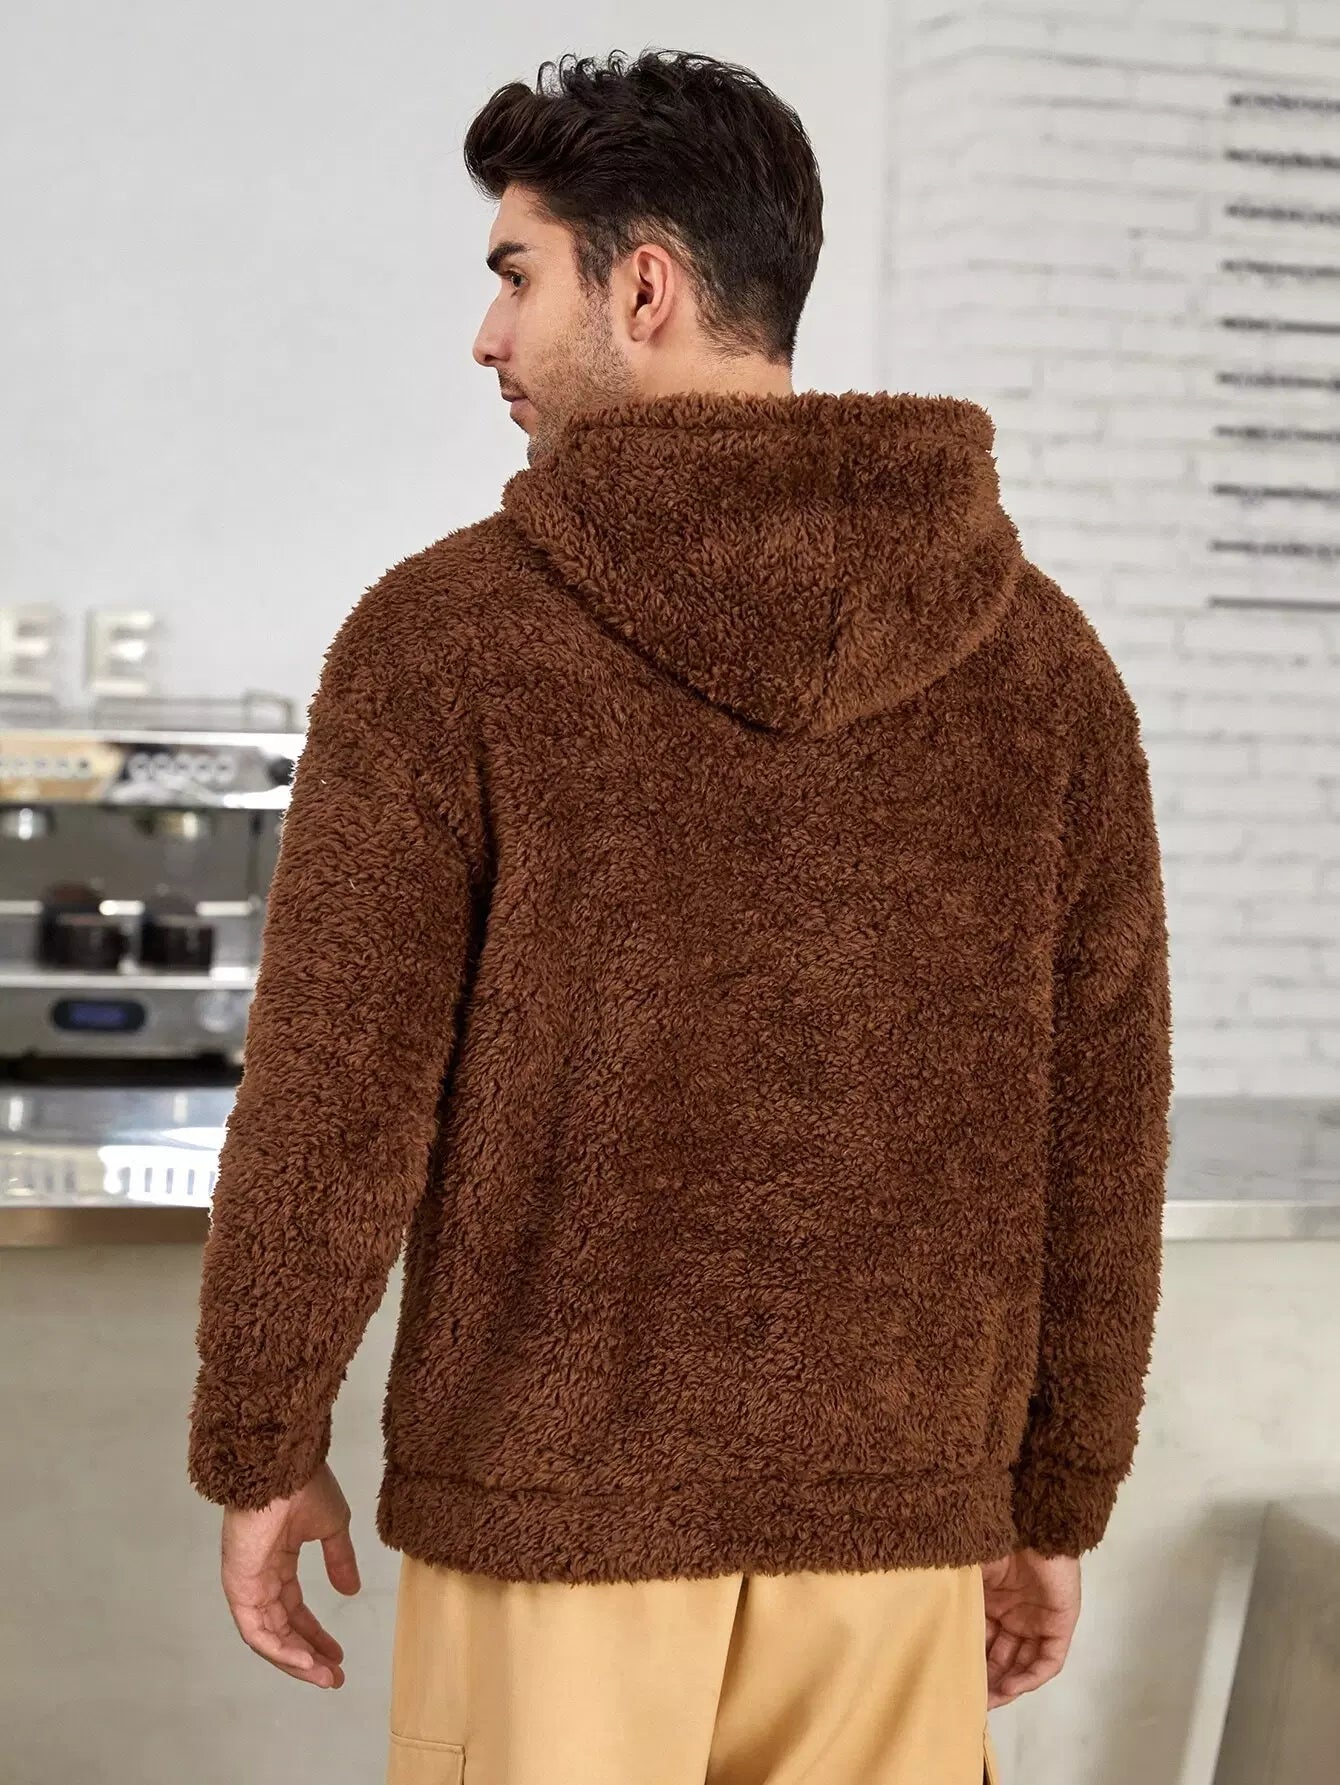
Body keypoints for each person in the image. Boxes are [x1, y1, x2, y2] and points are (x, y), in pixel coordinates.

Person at [187, 47, 1173, 1785]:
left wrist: (263, 1438)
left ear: (641, 288)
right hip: (896, 1527)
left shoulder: (446, 639)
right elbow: (1103, 1127)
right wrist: (1054, 1491)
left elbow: (336, 1091)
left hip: (555, 1518)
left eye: (516, 274)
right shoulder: (1042, 661)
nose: (486, 335)